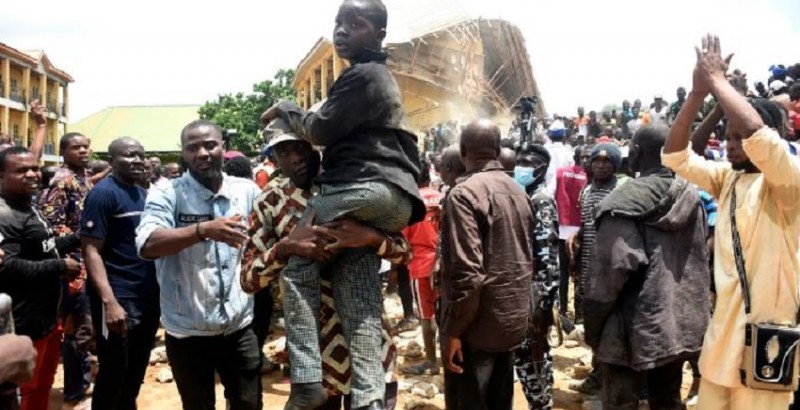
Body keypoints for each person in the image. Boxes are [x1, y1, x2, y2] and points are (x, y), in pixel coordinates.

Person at [260, 1, 425, 407]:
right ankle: (368, 399)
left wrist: (286, 108)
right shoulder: (271, 201)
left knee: (299, 269)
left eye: (356, 23)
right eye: (338, 22)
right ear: (274, 158)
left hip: (367, 190)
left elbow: (320, 126)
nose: (343, 30)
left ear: (379, 35)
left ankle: (305, 382)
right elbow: (251, 274)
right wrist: (367, 237)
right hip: (392, 200)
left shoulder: (363, 75)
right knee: (360, 301)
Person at [663, 35, 800, 410]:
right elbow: (676, 155)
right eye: (729, 138)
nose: (731, 145)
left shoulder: (789, 183)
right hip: (721, 342)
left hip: (766, 347)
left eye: (739, 139)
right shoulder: (729, 179)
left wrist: (720, 83)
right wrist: (698, 94)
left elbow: (762, 140)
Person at [241, 128, 410, 409]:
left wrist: (370, 237)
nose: (295, 158)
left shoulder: (352, 188)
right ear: (274, 159)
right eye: (284, 152)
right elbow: (248, 280)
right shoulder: (269, 202)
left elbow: (405, 253)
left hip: (371, 347)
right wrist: (285, 248)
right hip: (315, 362)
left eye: (301, 147)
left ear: (316, 147)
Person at [135, 120, 262, 410]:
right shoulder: (167, 192)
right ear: (184, 154)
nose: (203, 153)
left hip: (239, 326)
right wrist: (201, 231)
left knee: (248, 403)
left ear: (223, 148)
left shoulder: (246, 191)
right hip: (187, 332)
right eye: (193, 148)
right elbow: (147, 244)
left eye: (210, 145)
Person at [586, 125, 711, 409]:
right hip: (677, 324)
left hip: (627, 329)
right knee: (667, 399)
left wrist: (593, 329)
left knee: (621, 403)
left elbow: (608, 276)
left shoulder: (622, 200)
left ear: (636, 152)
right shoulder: (690, 197)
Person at [440, 120, 534, 410]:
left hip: (475, 326)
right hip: (511, 321)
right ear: (496, 150)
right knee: (499, 401)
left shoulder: (463, 194)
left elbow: (468, 273)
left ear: (464, 150)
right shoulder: (519, 192)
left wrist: (453, 330)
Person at [81, 137, 160, 410]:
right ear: (112, 161)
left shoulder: (141, 193)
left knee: (135, 370)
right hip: (118, 297)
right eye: (129, 155)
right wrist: (109, 302)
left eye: (141, 154)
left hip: (145, 296)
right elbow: (91, 251)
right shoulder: (103, 194)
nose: (138, 160)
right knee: (114, 372)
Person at [0, 146, 81, 410]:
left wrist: (79, 238)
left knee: (42, 388)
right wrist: (59, 266)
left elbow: (45, 245)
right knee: (25, 392)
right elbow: (7, 266)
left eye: (34, 168)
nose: (32, 174)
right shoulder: (4, 214)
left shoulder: (27, 205)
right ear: (2, 175)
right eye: (21, 170)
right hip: (23, 325)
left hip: (47, 317)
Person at [38, 132, 94, 410]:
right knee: (76, 328)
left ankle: (81, 381)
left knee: (84, 327)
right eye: (76, 147)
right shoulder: (62, 182)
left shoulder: (83, 178)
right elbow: (52, 226)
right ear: (63, 151)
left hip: (87, 260)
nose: (83, 151)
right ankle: (74, 390)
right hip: (73, 266)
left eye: (86, 146)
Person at [569, 143, 622, 395]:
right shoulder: (587, 191)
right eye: (596, 160)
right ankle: (597, 373)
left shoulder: (620, 190)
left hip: (610, 270)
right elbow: (586, 225)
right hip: (589, 268)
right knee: (593, 325)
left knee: (610, 326)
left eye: (606, 161)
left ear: (615, 165)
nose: (600, 165)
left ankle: (605, 379)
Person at [513, 144, 560, 409]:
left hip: (535, 295)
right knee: (524, 356)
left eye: (526, 163)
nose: (520, 167)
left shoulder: (540, 199)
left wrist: (543, 304)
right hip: (523, 292)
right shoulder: (524, 196)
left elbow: (548, 257)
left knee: (535, 357)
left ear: (540, 168)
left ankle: (542, 403)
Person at [399, 161, 443, 377]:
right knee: (445, 312)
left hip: (421, 264)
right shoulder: (442, 197)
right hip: (444, 263)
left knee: (427, 316)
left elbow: (402, 237)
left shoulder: (411, 202)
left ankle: (432, 361)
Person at [554, 146, 588, 319]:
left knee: (563, 272)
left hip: (563, 228)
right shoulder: (589, 177)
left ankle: (562, 311)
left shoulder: (560, 173)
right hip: (581, 230)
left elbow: (553, 195)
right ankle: (580, 313)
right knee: (580, 271)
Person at [544, 123, 575, 198]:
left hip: (545, 191)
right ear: (563, 136)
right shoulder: (569, 152)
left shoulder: (544, 150)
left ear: (550, 136)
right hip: (562, 191)